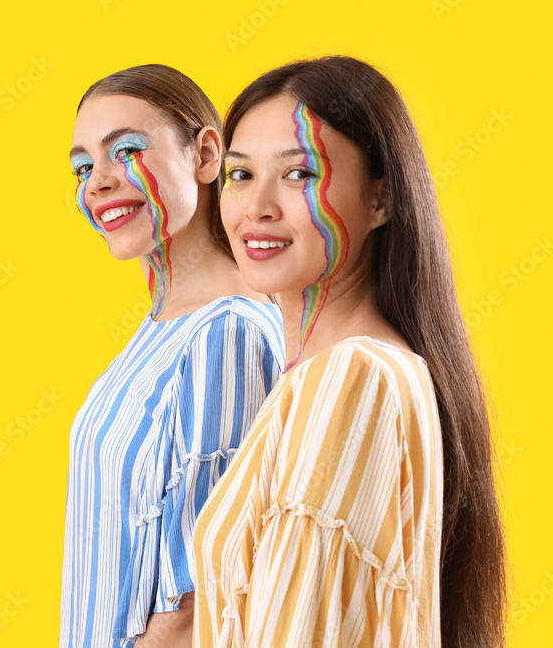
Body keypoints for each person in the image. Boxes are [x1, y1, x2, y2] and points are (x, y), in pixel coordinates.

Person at [192, 56, 506, 647]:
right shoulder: (357, 373)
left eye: (300, 175)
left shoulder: (351, 379)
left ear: (381, 201)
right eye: (239, 175)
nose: (257, 206)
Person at [60, 64, 285, 648]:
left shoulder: (228, 333)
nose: (97, 183)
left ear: (206, 156)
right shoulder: (159, 330)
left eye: (125, 150)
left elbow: (198, 603)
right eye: (83, 168)